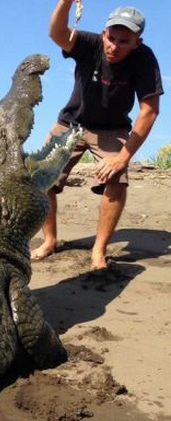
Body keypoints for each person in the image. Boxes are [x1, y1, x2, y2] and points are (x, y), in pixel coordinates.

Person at [31, 2, 163, 269]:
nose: (114, 46)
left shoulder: (145, 59)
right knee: (41, 176)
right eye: (111, 38)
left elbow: (149, 111)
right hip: (72, 122)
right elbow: (56, 33)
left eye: (124, 41)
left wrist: (122, 158)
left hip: (112, 129)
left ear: (137, 42)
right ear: (103, 34)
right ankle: (50, 240)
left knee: (117, 177)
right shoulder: (89, 44)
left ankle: (98, 250)